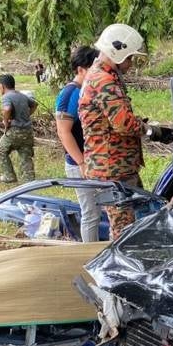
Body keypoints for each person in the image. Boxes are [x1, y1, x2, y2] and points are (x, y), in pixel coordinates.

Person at [79, 23, 148, 240]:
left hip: (118, 167)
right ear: (116, 52)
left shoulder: (105, 76)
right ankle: (120, 271)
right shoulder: (103, 80)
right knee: (123, 230)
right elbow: (123, 124)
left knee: (133, 220)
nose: (129, 64)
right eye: (128, 58)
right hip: (111, 169)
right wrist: (149, 131)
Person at [56, 46, 102, 242]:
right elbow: (63, 132)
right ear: (81, 69)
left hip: (94, 161)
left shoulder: (88, 90)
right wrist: (81, 162)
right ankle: (89, 255)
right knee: (91, 213)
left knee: (101, 209)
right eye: (94, 68)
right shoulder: (70, 94)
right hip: (79, 164)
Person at [0, 73, 38, 183]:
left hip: (15, 131)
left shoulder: (6, 97)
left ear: (3, 86)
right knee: (25, 155)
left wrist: (6, 121)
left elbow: (7, 109)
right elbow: (34, 105)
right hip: (28, 131)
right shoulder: (22, 95)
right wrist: (27, 115)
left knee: (0, 149)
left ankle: (9, 175)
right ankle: (29, 181)